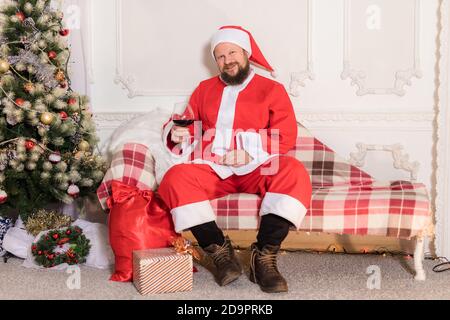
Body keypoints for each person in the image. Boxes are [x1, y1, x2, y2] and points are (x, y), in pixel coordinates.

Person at [158, 25, 312, 293]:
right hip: (214, 167)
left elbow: (286, 135)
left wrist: (250, 151)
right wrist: (180, 133)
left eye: (232, 52)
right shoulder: (204, 89)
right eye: (220, 56)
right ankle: (220, 253)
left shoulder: (272, 90)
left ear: (246, 53)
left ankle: (263, 258)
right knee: (175, 179)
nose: (227, 60)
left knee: (293, 171)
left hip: (258, 166)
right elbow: (190, 125)